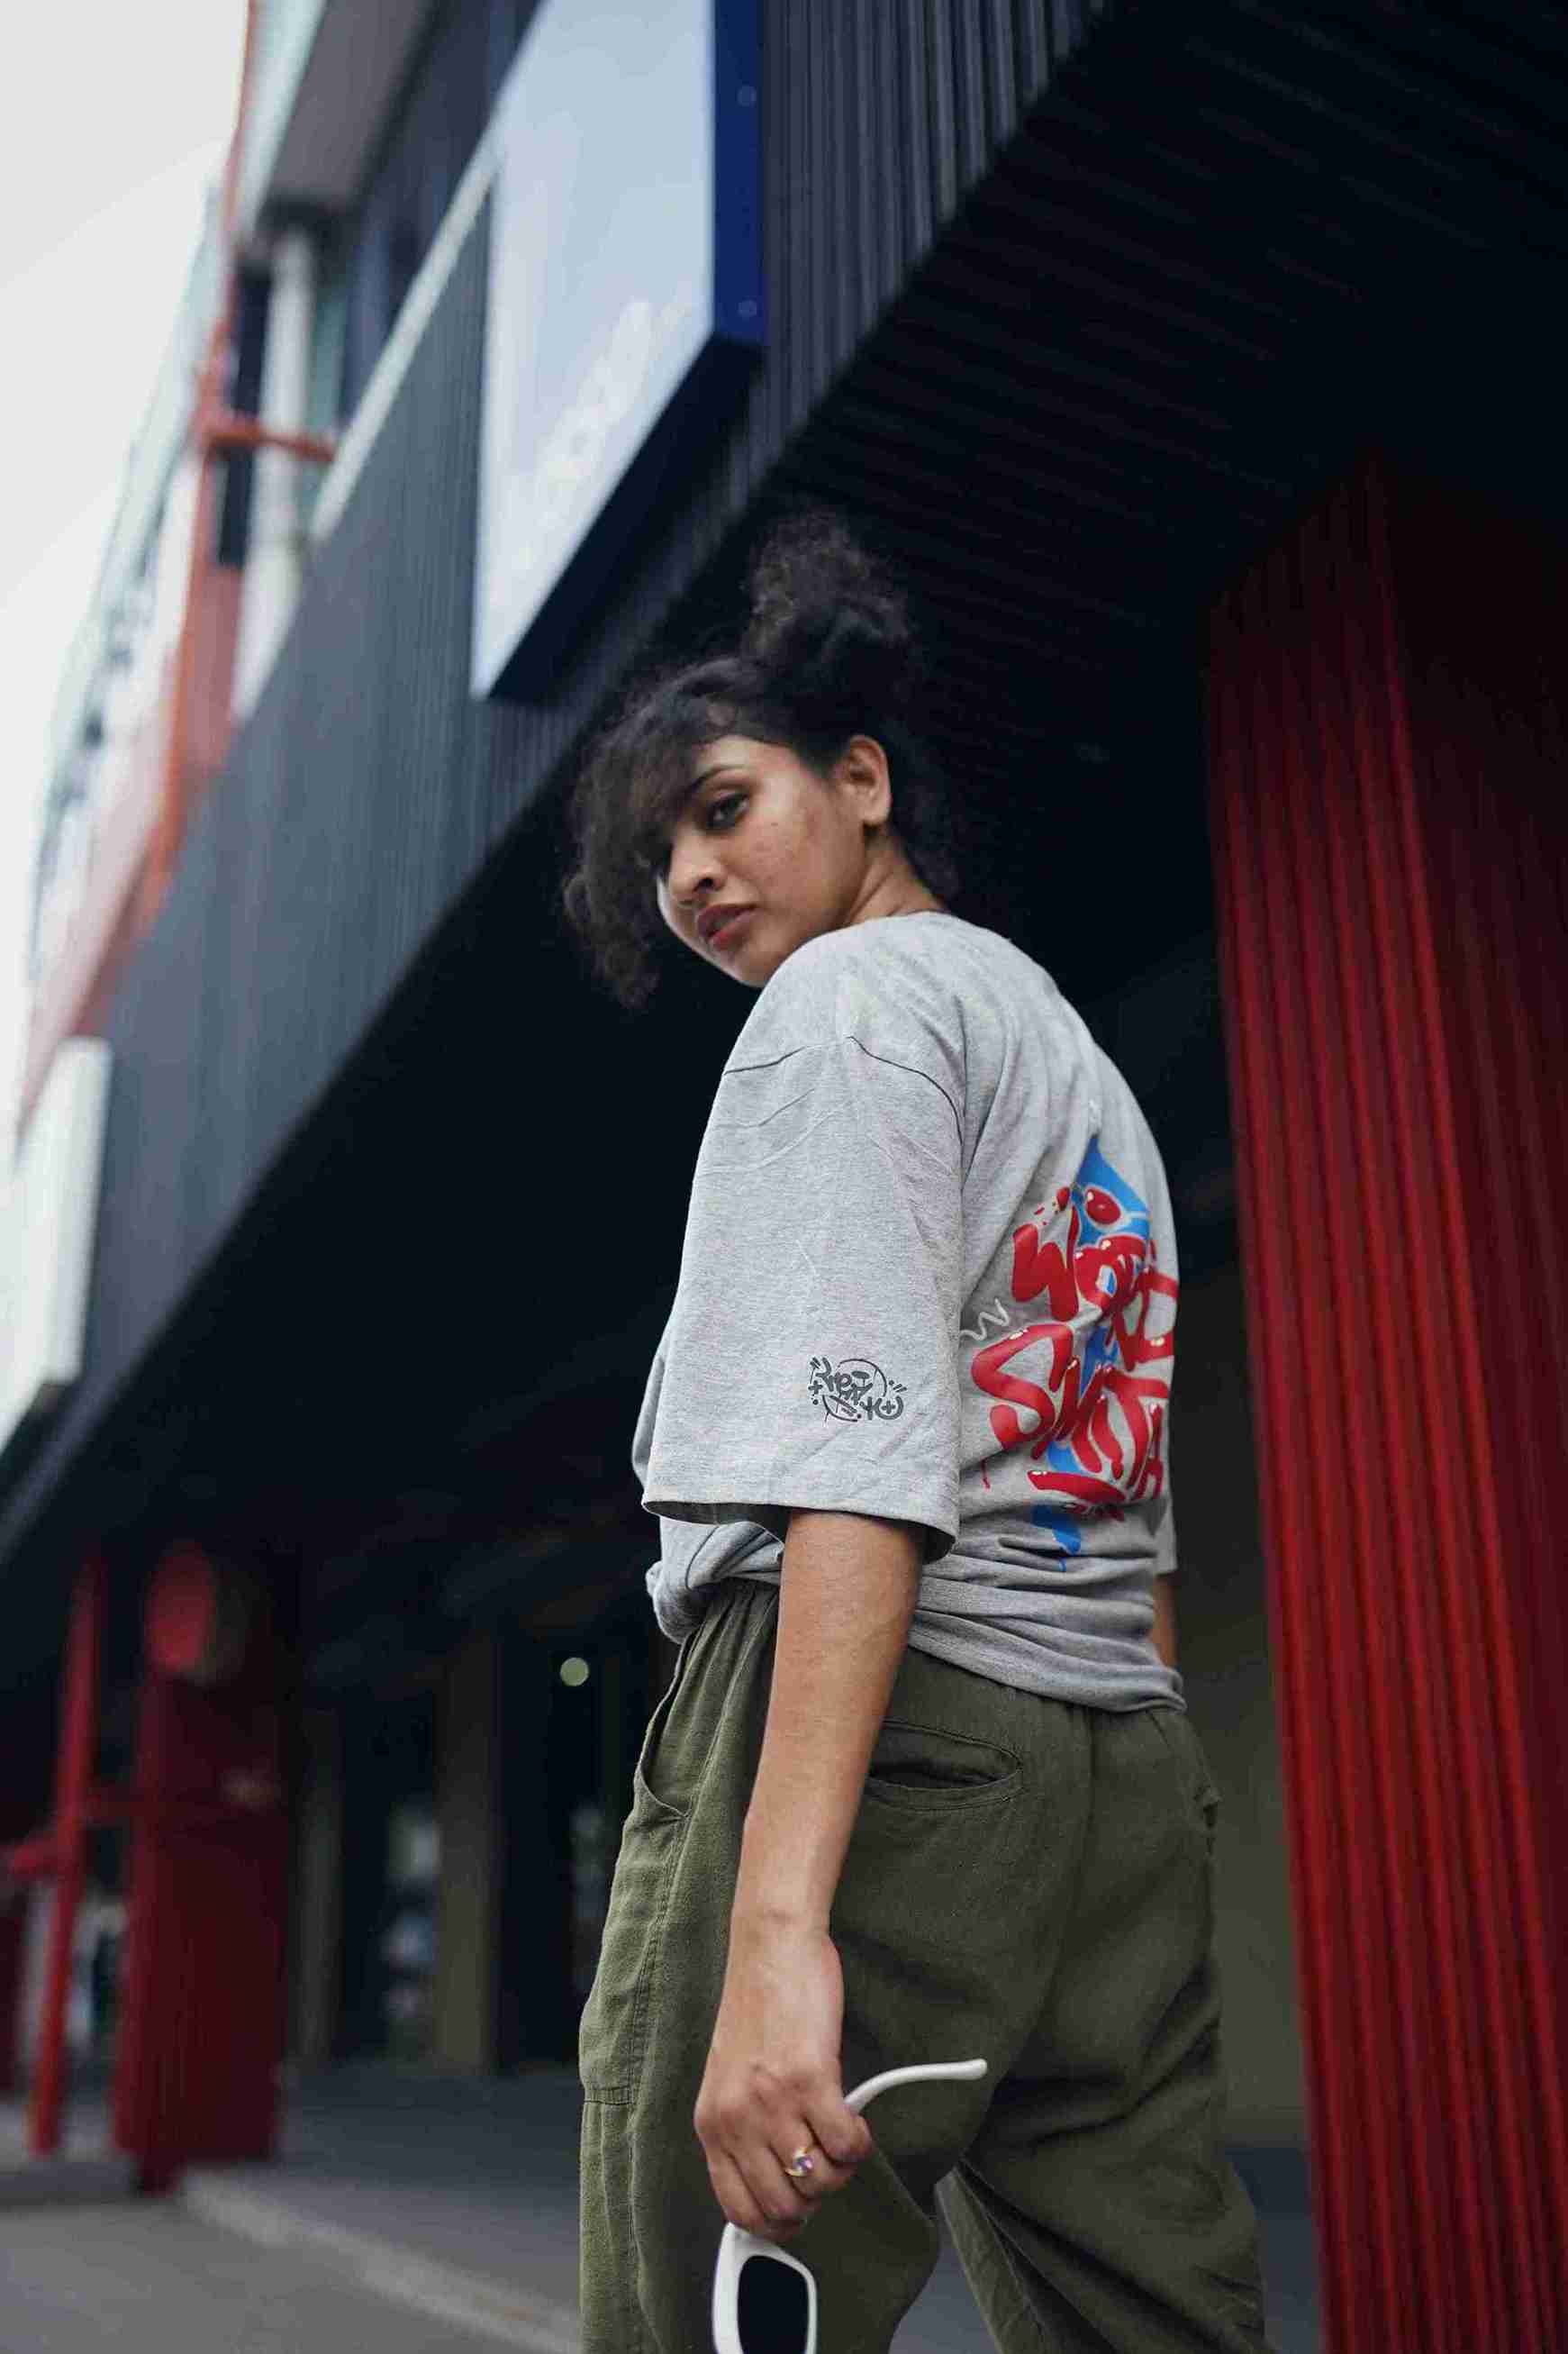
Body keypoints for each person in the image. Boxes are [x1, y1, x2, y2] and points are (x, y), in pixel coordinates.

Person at [562, 507, 1273, 2352]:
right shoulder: (1072, 1062)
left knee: (706, 2304)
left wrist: (779, 1923)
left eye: (723, 806)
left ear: (859, 777)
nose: (693, 876)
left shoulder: (847, 1010)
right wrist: (1148, 1793)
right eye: (659, 858)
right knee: (1151, 2314)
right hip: (1112, 1766)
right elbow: (1128, 1473)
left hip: (899, 1749)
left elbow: (852, 1472)